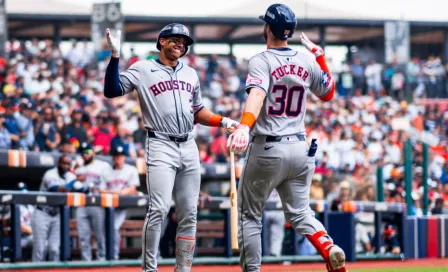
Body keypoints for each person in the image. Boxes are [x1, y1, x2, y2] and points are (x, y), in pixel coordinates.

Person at [104, 24, 239, 272]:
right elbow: (112, 90)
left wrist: (223, 121)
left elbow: (197, 111)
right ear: (162, 42)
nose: (181, 44)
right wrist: (115, 57)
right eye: (175, 39)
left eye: (184, 41)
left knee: (189, 212)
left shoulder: (191, 74)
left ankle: (183, 269)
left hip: (188, 144)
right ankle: (149, 269)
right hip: (160, 143)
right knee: (159, 209)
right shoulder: (143, 68)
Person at [227, 4, 346, 272]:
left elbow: (256, 94)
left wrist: (244, 126)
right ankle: (328, 246)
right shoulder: (306, 60)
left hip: (268, 147)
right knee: (302, 213)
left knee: (249, 215)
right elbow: (328, 94)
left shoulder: (262, 59)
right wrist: (320, 56)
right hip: (300, 148)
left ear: (268, 28)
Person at [31, 154, 76, 261]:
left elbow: (83, 190)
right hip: (42, 213)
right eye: (64, 163)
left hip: (57, 214)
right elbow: (57, 189)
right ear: (58, 163)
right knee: (40, 249)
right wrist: (75, 180)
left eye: (68, 164)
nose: (66, 166)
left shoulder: (71, 176)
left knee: (54, 249)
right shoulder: (50, 174)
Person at [100, 145, 140, 260]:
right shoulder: (106, 170)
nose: (119, 158)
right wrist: (118, 192)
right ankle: (104, 255)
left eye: (121, 156)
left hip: (124, 207)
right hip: (108, 207)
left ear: (124, 157)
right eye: (116, 156)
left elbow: (133, 189)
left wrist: (115, 192)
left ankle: (114, 255)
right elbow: (101, 190)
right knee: (103, 230)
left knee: (113, 227)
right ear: (112, 157)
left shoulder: (130, 169)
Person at [74, 143, 112, 261]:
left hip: (98, 203)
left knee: (99, 235)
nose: (85, 154)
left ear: (93, 152)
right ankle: (86, 262)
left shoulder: (103, 165)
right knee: (83, 236)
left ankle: (102, 260)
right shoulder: (78, 169)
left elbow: (109, 183)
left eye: (88, 151)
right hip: (82, 204)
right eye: (83, 152)